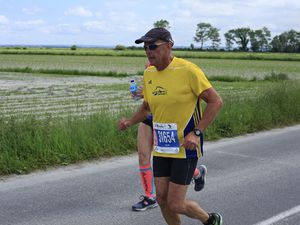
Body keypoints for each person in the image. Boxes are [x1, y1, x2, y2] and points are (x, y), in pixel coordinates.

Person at [119, 28, 223, 225]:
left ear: (169, 45)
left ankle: (210, 220)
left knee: (175, 203)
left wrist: (197, 132)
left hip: (186, 147)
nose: (148, 51)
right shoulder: (149, 73)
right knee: (162, 200)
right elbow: (147, 107)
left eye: (152, 46)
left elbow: (216, 101)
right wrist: (130, 122)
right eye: (145, 48)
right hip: (162, 147)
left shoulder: (188, 70)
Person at [131, 84, 207, 212]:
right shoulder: (149, 67)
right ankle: (150, 197)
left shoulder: (177, 66)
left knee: (173, 156)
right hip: (148, 116)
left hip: (167, 118)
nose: (152, 62)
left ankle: (197, 173)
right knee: (143, 156)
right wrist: (141, 93)